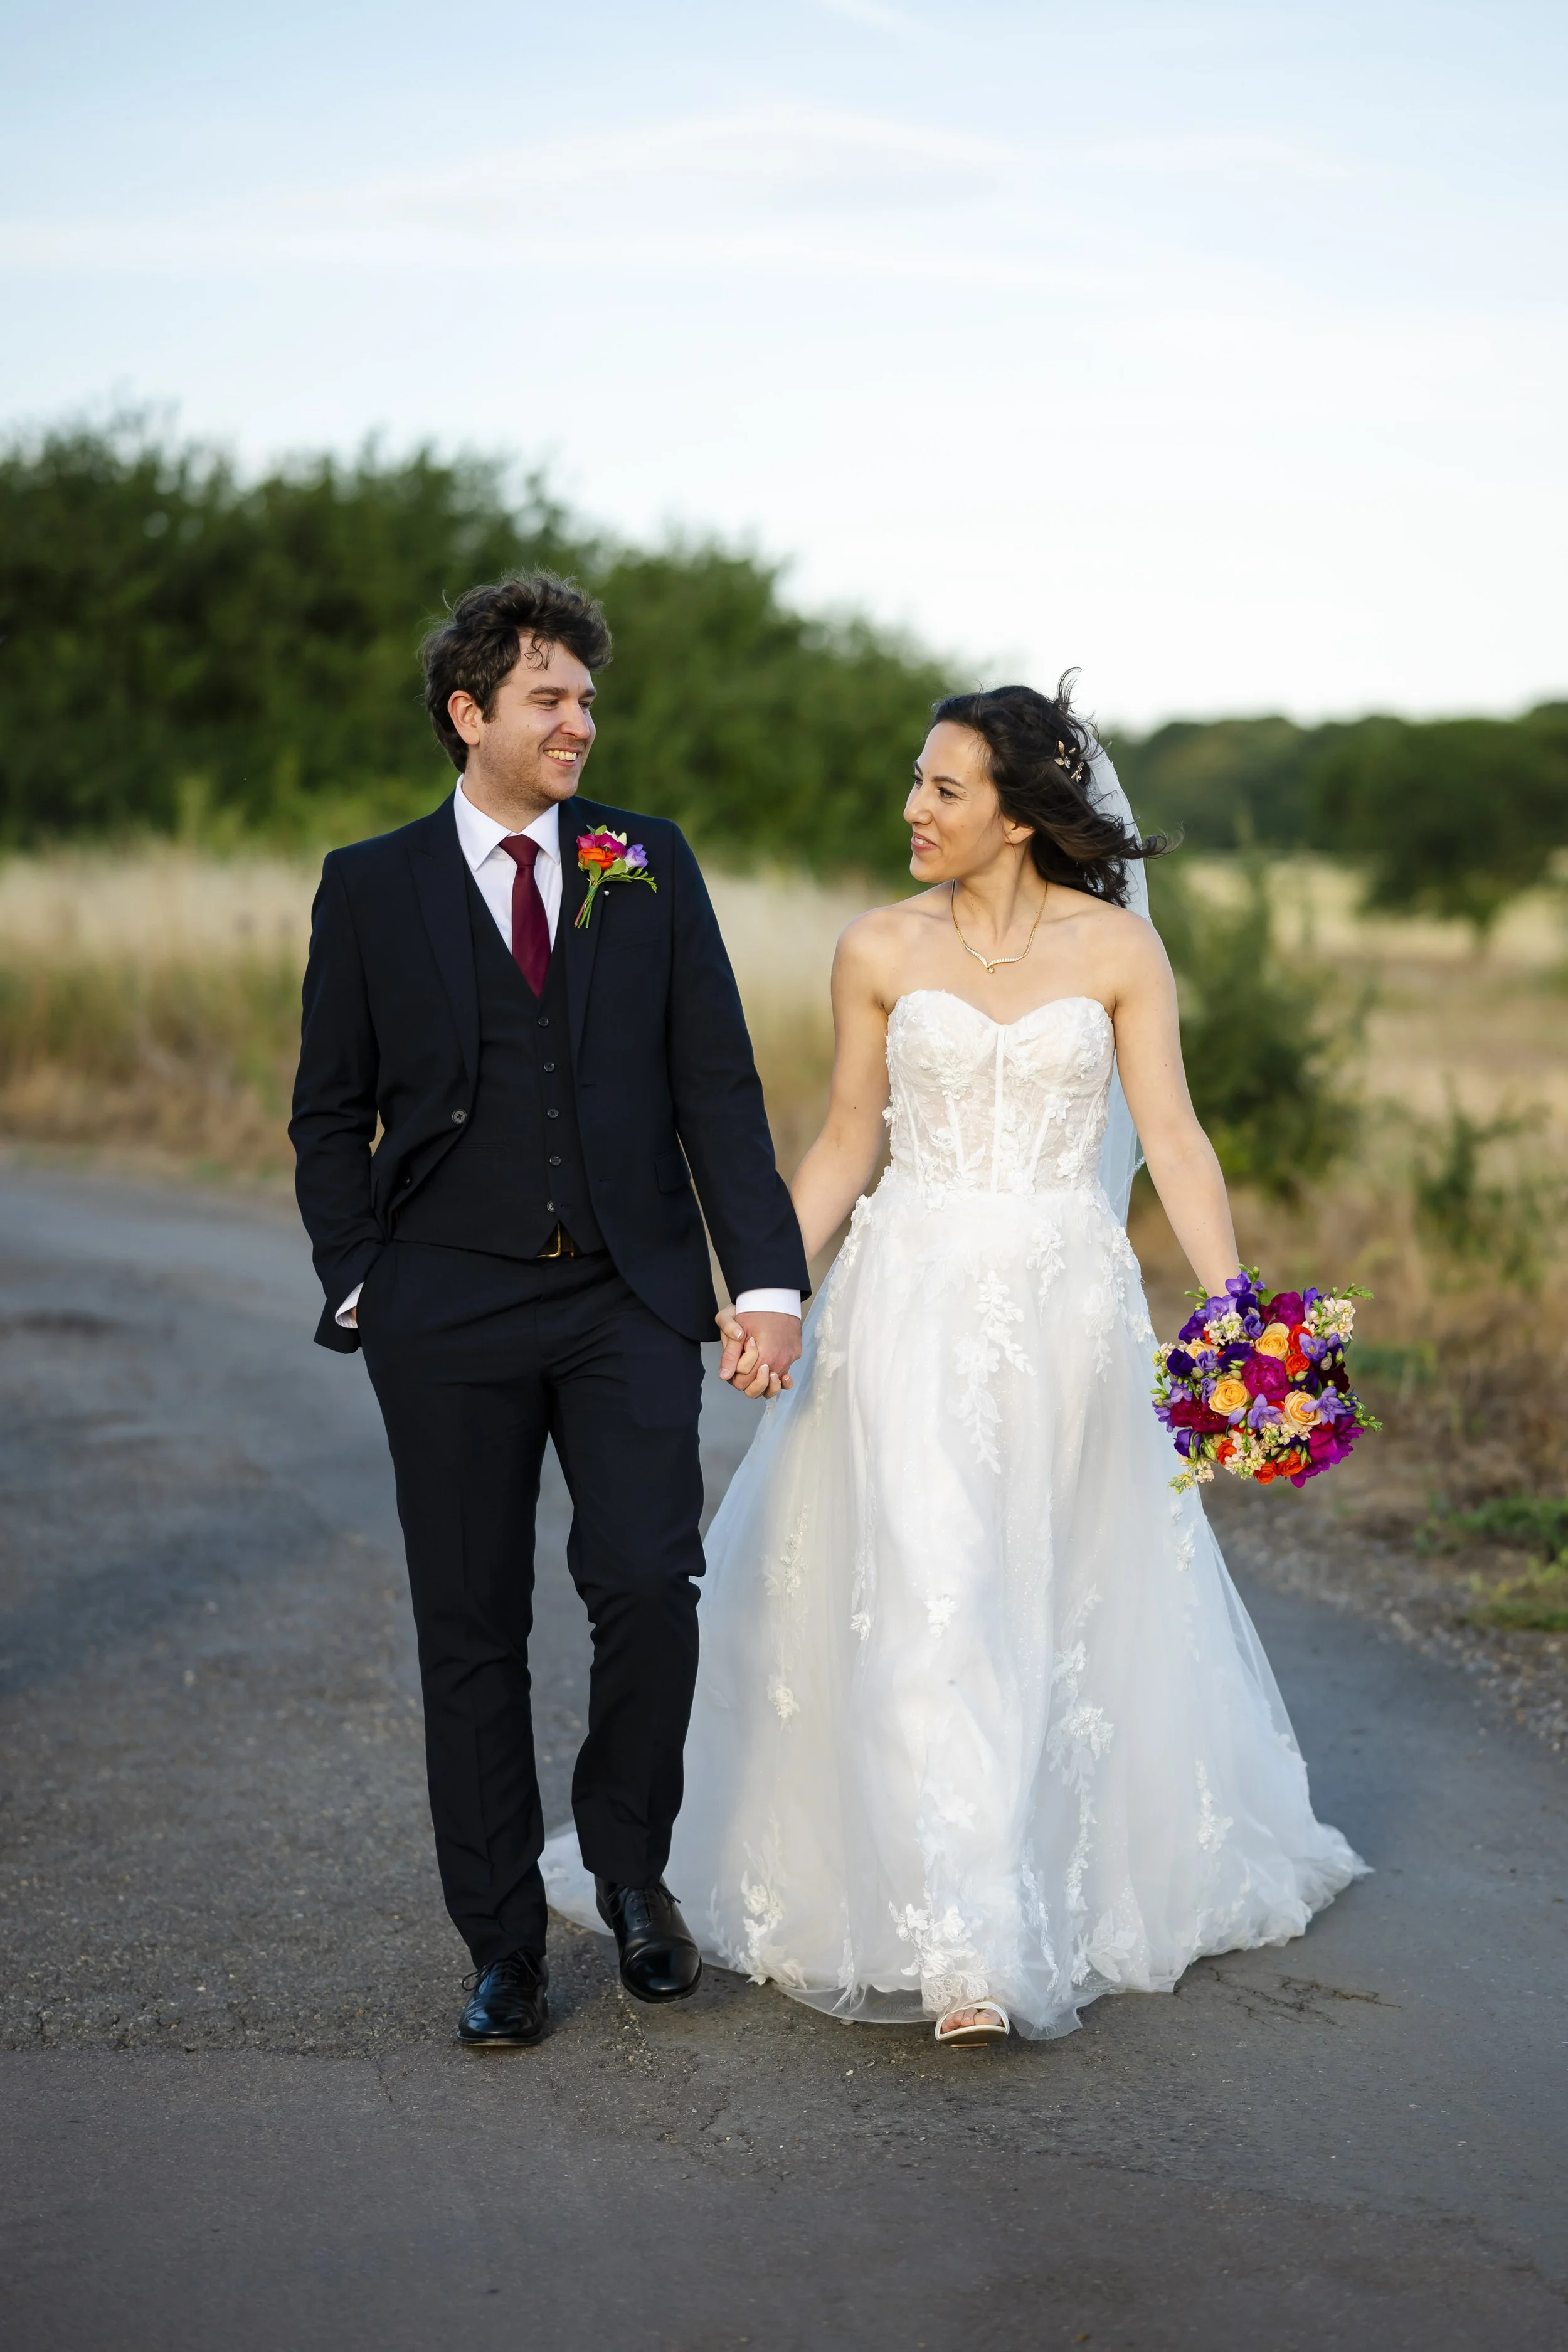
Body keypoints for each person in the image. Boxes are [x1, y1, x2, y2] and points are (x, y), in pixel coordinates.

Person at [543, 679, 1365, 2045]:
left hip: (1066, 1311)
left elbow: (1173, 1136)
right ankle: (967, 1943)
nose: (910, 810)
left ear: (1019, 816)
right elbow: (843, 1140)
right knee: (933, 1589)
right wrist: (765, 1297)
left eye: (941, 789)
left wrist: (1234, 1317)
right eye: (916, 784)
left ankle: (1039, 1875)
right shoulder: (875, 949)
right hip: (908, 1300)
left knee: (1044, 1592)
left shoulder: (1115, 954)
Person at [290, 572, 807, 2047]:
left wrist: (758, 1280)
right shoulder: (371, 884)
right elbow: (328, 1112)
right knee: (471, 1628)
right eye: (550, 698)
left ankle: (632, 1875)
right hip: (439, 1311)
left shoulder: (648, 860)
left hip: (626, 1297)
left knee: (647, 1581)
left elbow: (715, 1081)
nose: (581, 721)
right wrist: (359, 1277)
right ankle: (504, 1943)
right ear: (470, 715)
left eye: (586, 697)